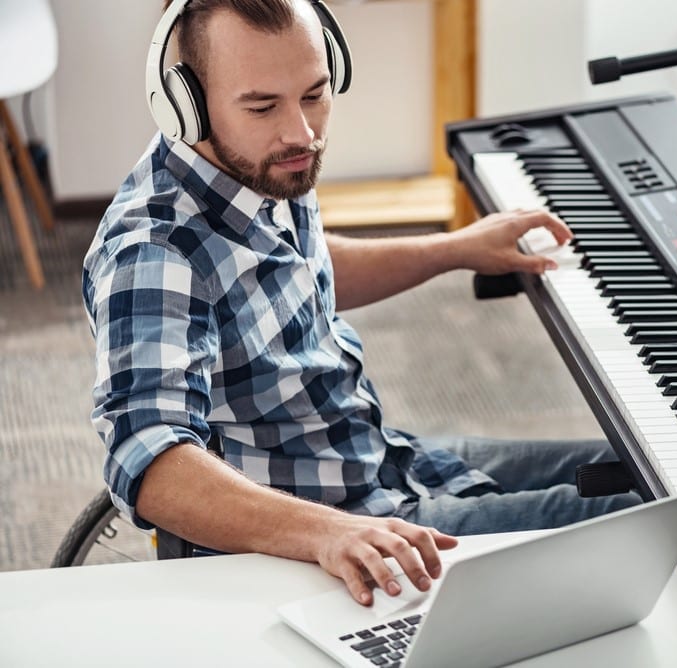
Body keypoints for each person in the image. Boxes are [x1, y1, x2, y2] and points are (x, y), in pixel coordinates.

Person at [82, 0, 640, 607]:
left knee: (646, 470)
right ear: (185, 104)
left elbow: (302, 272)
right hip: (338, 526)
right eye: (263, 105)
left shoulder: (260, 168)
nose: (302, 133)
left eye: (315, 94)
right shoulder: (156, 252)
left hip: (378, 457)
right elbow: (152, 462)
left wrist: (455, 249)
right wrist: (329, 532)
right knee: (653, 525)